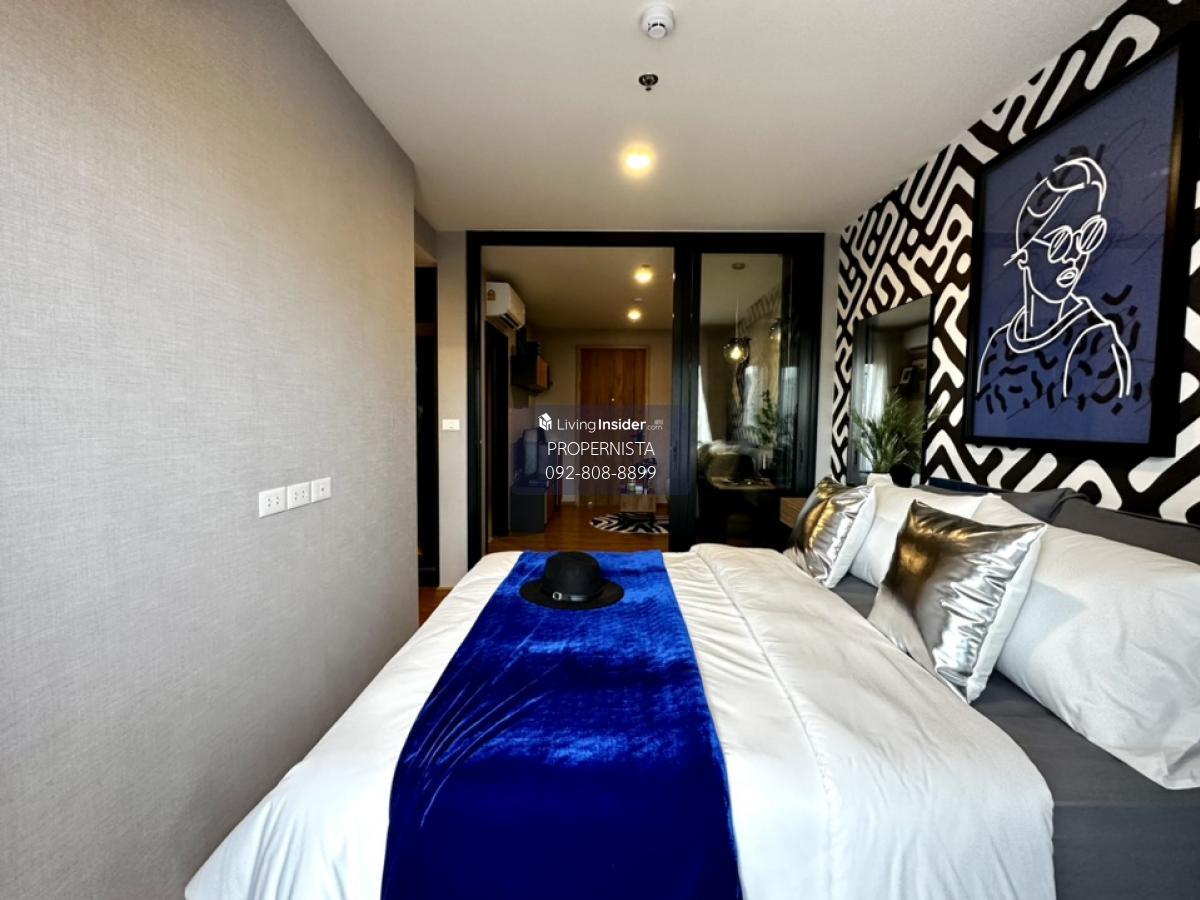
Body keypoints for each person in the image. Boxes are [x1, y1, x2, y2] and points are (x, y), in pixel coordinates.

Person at [976, 156, 1133, 417]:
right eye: (1060, 243)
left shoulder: (1094, 339)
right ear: (1024, 256)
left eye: (1087, 237)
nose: (1074, 256)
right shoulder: (999, 344)